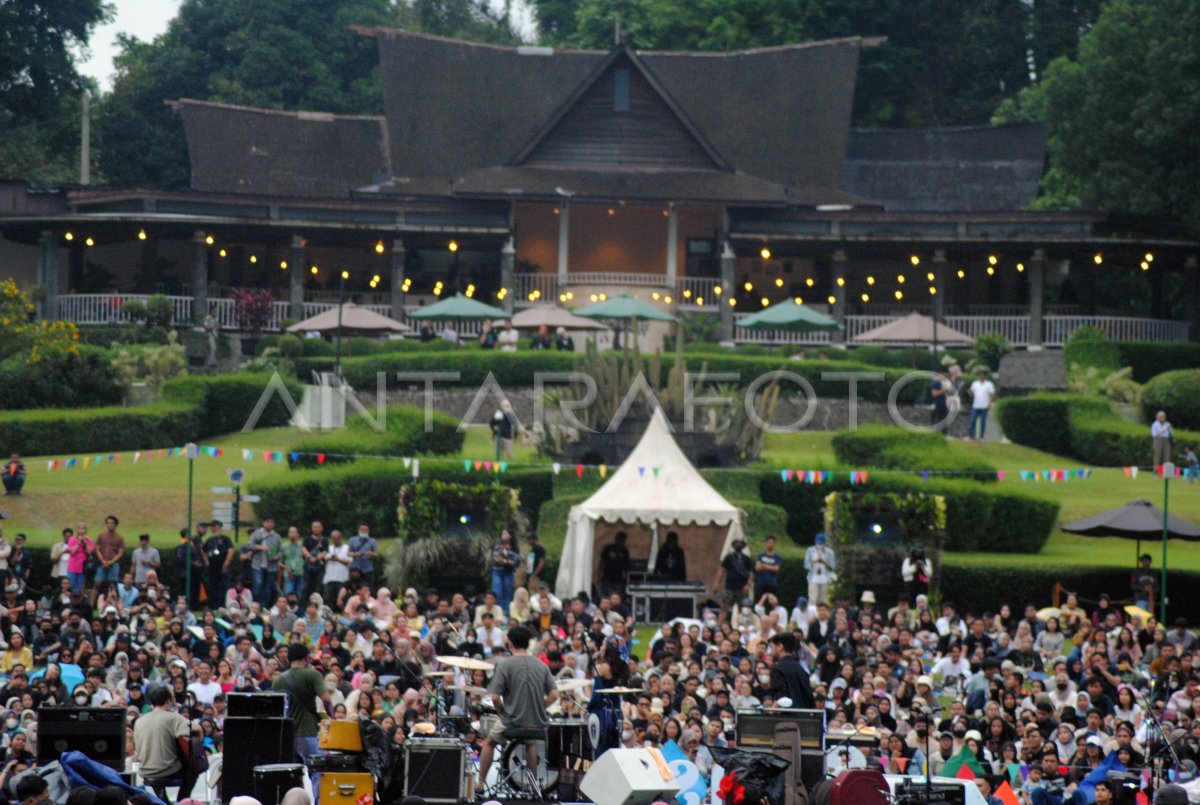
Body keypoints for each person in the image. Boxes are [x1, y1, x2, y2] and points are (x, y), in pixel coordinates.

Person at [478, 625, 558, 790]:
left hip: (512, 722)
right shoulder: (542, 665)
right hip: (536, 723)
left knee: (489, 743)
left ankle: (480, 783)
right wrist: (540, 708)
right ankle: (532, 784)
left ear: (510, 644)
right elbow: (555, 695)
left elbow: (494, 697)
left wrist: (502, 713)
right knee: (530, 742)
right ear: (528, 644)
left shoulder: (504, 665)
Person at [134, 686, 198, 805]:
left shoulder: (139, 721)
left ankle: (164, 800)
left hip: (144, 769)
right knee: (194, 769)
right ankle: (181, 801)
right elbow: (191, 733)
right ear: (168, 701)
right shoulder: (174, 717)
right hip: (167, 769)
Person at [273, 643, 329, 763]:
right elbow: (326, 699)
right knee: (318, 769)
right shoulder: (313, 674)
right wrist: (332, 716)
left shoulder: (278, 680)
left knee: (293, 773)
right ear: (306, 658)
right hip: (309, 731)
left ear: (289, 659)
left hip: (287, 735)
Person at [768, 632, 814, 708]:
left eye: (772, 647)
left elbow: (781, 698)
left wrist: (771, 712)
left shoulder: (778, 669)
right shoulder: (800, 668)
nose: (770, 652)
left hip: (788, 717)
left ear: (780, 646)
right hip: (805, 715)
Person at [714, 539, 752, 624]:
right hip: (729, 587)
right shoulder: (729, 557)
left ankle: (743, 627)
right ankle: (718, 627)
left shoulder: (747, 559)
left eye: (740, 544)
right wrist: (717, 584)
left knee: (743, 610)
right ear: (733, 546)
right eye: (737, 544)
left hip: (742, 588)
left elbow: (750, 573)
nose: (738, 545)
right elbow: (721, 571)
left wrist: (748, 585)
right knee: (724, 608)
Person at [247, 518, 281, 606]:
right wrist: (260, 548)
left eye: (272, 522)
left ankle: (264, 606)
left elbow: (281, 551)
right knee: (258, 584)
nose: (270, 524)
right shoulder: (256, 533)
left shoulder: (276, 536)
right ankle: (255, 605)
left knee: (268, 588)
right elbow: (250, 545)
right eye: (268, 522)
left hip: (271, 566)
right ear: (263, 523)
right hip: (258, 564)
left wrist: (276, 556)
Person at [93, 515, 126, 599]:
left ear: (115, 525)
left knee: (112, 584)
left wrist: (111, 561)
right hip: (102, 562)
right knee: (98, 583)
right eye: (108, 523)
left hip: (113, 563)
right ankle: (91, 604)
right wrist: (102, 561)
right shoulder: (101, 536)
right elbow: (97, 549)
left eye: (112, 523)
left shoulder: (119, 538)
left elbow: (120, 553)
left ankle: (112, 602)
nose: (109, 525)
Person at [490, 530, 519, 612]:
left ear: (510, 536)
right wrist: (502, 552)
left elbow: (516, 561)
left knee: (507, 594)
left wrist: (505, 560)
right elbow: (497, 559)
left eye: (505, 533)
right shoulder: (498, 546)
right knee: (497, 593)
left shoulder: (514, 547)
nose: (503, 535)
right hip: (497, 572)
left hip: (509, 572)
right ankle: (498, 611)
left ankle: (505, 612)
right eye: (502, 533)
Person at [803, 532, 835, 606]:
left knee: (822, 601)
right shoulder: (810, 550)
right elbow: (806, 564)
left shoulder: (830, 552)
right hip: (813, 577)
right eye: (818, 543)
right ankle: (811, 615)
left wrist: (824, 562)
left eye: (821, 543)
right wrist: (815, 561)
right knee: (812, 599)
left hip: (825, 578)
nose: (820, 545)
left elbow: (833, 567)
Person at [966, 369, 996, 441]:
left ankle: (981, 437)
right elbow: (971, 393)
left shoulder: (989, 384)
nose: (981, 376)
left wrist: (990, 403)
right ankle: (969, 436)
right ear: (979, 376)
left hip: (984, 406)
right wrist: (969, 392)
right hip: (976, 406)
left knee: (983, 422)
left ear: (985, 376)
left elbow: (992, 394)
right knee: (973, 420)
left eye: (983, 375)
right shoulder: (975, 383)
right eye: (980, 375)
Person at [598, 532, 630, 597]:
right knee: (606, 596)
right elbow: (602, 562)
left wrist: (626, 579)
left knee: (616, 597)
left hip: (618, 579)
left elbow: (626, 566)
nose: (620, 541)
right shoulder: (608, 548)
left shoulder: (624, 551)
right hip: (607, 577)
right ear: (616, 539)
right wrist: (599, 575)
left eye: (622, 540)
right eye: (619, 539)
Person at [348, 522, 379, 588]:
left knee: (369, 587)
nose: (364, 531)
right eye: (362, 529)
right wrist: (354, 554)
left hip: (368, 568)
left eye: (366, 530)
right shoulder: (352, 540)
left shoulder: (372, 541)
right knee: (356, 587)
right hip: (356, 567)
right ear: (358, 530)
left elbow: (376, 555)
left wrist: (371, 554)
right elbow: (348, 553)